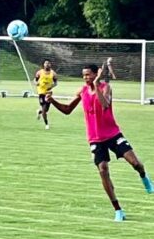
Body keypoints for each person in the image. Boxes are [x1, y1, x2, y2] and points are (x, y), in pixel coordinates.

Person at [47, 63, 153, 221]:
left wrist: (96, 84)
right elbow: (67, 110)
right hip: (95, 138)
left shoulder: (106, 88)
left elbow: (105, 104)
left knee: (136, 163)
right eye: (84, 75)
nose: (86, 78)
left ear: (97, 74)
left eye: (88, 74)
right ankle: (118, 210)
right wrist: (52, 101)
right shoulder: (82, 91)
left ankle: (144, 178)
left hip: (113, 134)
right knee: (103, 170)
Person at [34, 60, 58, 130]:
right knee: (44, 109)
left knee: (46, 110)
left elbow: (56, 83)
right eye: (46, 63)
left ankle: (39, 111)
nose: (47, 64)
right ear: (43, 64)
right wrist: (36, 83)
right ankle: (46, 124)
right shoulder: (39, 72)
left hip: (48, 93)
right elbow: (34, 80)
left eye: (48, 63)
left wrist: (52, 86)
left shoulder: (53, 73)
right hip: (41, 92)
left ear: (50, 64)